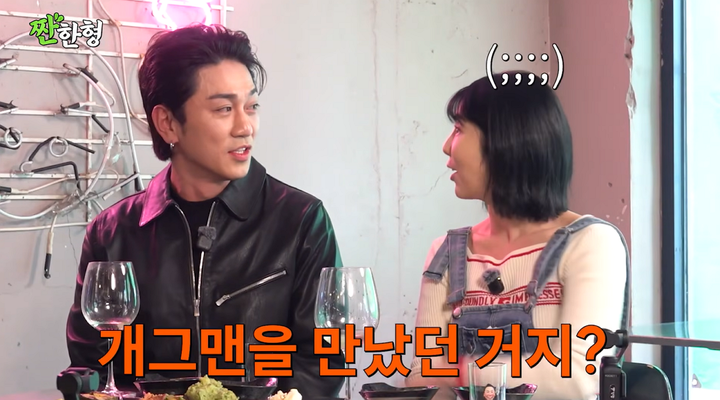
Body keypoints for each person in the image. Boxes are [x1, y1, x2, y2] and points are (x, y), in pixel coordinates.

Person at [65, 24, 345, 397]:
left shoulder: (301, 221)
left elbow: (322, 366)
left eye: (251, 106)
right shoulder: (111, 232)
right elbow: (93, 368)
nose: (245, 127)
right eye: (224, 109)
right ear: (168, 124)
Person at [404, 72, 630, 400]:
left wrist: (459, 372)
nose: (446, 146)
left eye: (459, 129)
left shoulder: (591, 243)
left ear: (505, 140)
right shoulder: (447, 253)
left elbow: (579, 377)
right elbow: (422, 379)